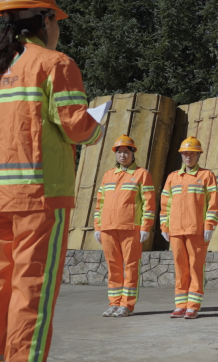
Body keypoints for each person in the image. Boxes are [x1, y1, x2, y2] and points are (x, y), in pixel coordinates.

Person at [0, 0, 103, 362]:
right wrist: (98, 124)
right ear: (45, 20)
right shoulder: (55, 64)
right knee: (32, 290)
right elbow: (77, 128)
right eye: (56, 20)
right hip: (39, 197)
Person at [93, 135, 156, 317]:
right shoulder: (108, 175)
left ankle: (127, 305)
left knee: (130, 267)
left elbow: (149, 204)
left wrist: (145, 227)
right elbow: (99, 203)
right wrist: (98, 227)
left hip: (130, 228)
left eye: (126, 152)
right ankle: (114, 303)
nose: (122, 155)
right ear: (116, 154)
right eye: (119, 152)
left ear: (132, 153)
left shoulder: (142, 174)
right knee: (113, 267)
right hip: (108, 228)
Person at [160, 136, 218, 319]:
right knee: (180, 268)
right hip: (176, 230)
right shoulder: (172, 177)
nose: (188, 157)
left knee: (195, 267)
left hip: (196, 230)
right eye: (185, 153)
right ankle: (180, 305)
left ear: (198, 155)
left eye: (192, 154)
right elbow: (165, 204)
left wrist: (209, 225)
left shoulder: (206, 176)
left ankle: (192, 306)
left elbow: (213, 204)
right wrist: (164, 226)